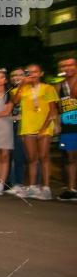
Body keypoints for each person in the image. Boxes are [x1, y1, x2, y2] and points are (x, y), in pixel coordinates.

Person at [12, 64, 59, 200]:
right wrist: (22, 84)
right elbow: (15, 101)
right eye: (29, 72)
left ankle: (46, 188)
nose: (32, 74)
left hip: (44, 126)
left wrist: (44, 128)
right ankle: (33, 186)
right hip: (28, 127)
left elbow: (53, 110)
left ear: (41, 73)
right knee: (32, 158)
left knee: (44, 156)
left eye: (35, 72)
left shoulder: (48, 88)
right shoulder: (22, 88)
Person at [56, 56, 77, 201]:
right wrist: (57, 124)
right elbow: (56, 109)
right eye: (64, 66)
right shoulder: (59, 86)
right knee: (70, 158)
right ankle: (71, 189)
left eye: (71, 65)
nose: (67, 68)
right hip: (68, 127)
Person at [6, 68, 27, 194]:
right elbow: (14, 103)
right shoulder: (11, 91)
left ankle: (23, 184)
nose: (16, 77)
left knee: (25, 156)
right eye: (13, 75)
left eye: (20, 75)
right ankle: (14, 183)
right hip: (13, 125)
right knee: (14, 156)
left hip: (26, 125)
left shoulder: (31, 89)